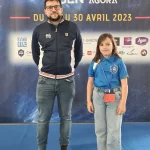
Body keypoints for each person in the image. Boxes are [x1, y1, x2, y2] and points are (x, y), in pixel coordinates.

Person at [31, 0, 83, 150]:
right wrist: (44, 69)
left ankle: (64, 147)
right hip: (44, 82)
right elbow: (35, 54)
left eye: (56, 7)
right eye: (49, 7)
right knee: (42, 119)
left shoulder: (73, 27)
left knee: (66, 118)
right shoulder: (38, 30)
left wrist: (70, 68)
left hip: (66, 81)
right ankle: (41, 148)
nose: (53, 10)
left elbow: (78, 52)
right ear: (45, 11)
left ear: (61, 9)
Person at [87, 33, 128, 150]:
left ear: (113, 46)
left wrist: (122, 103)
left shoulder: (119, 62)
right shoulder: (94, 62)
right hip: (98, 97)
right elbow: (90, 82)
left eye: (108, 44)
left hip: (114, 97)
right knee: (100, 130)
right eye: (102, 44)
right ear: (98, 47)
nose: (105, 47)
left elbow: (124, 84)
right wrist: (89, 101)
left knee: (113, 131)